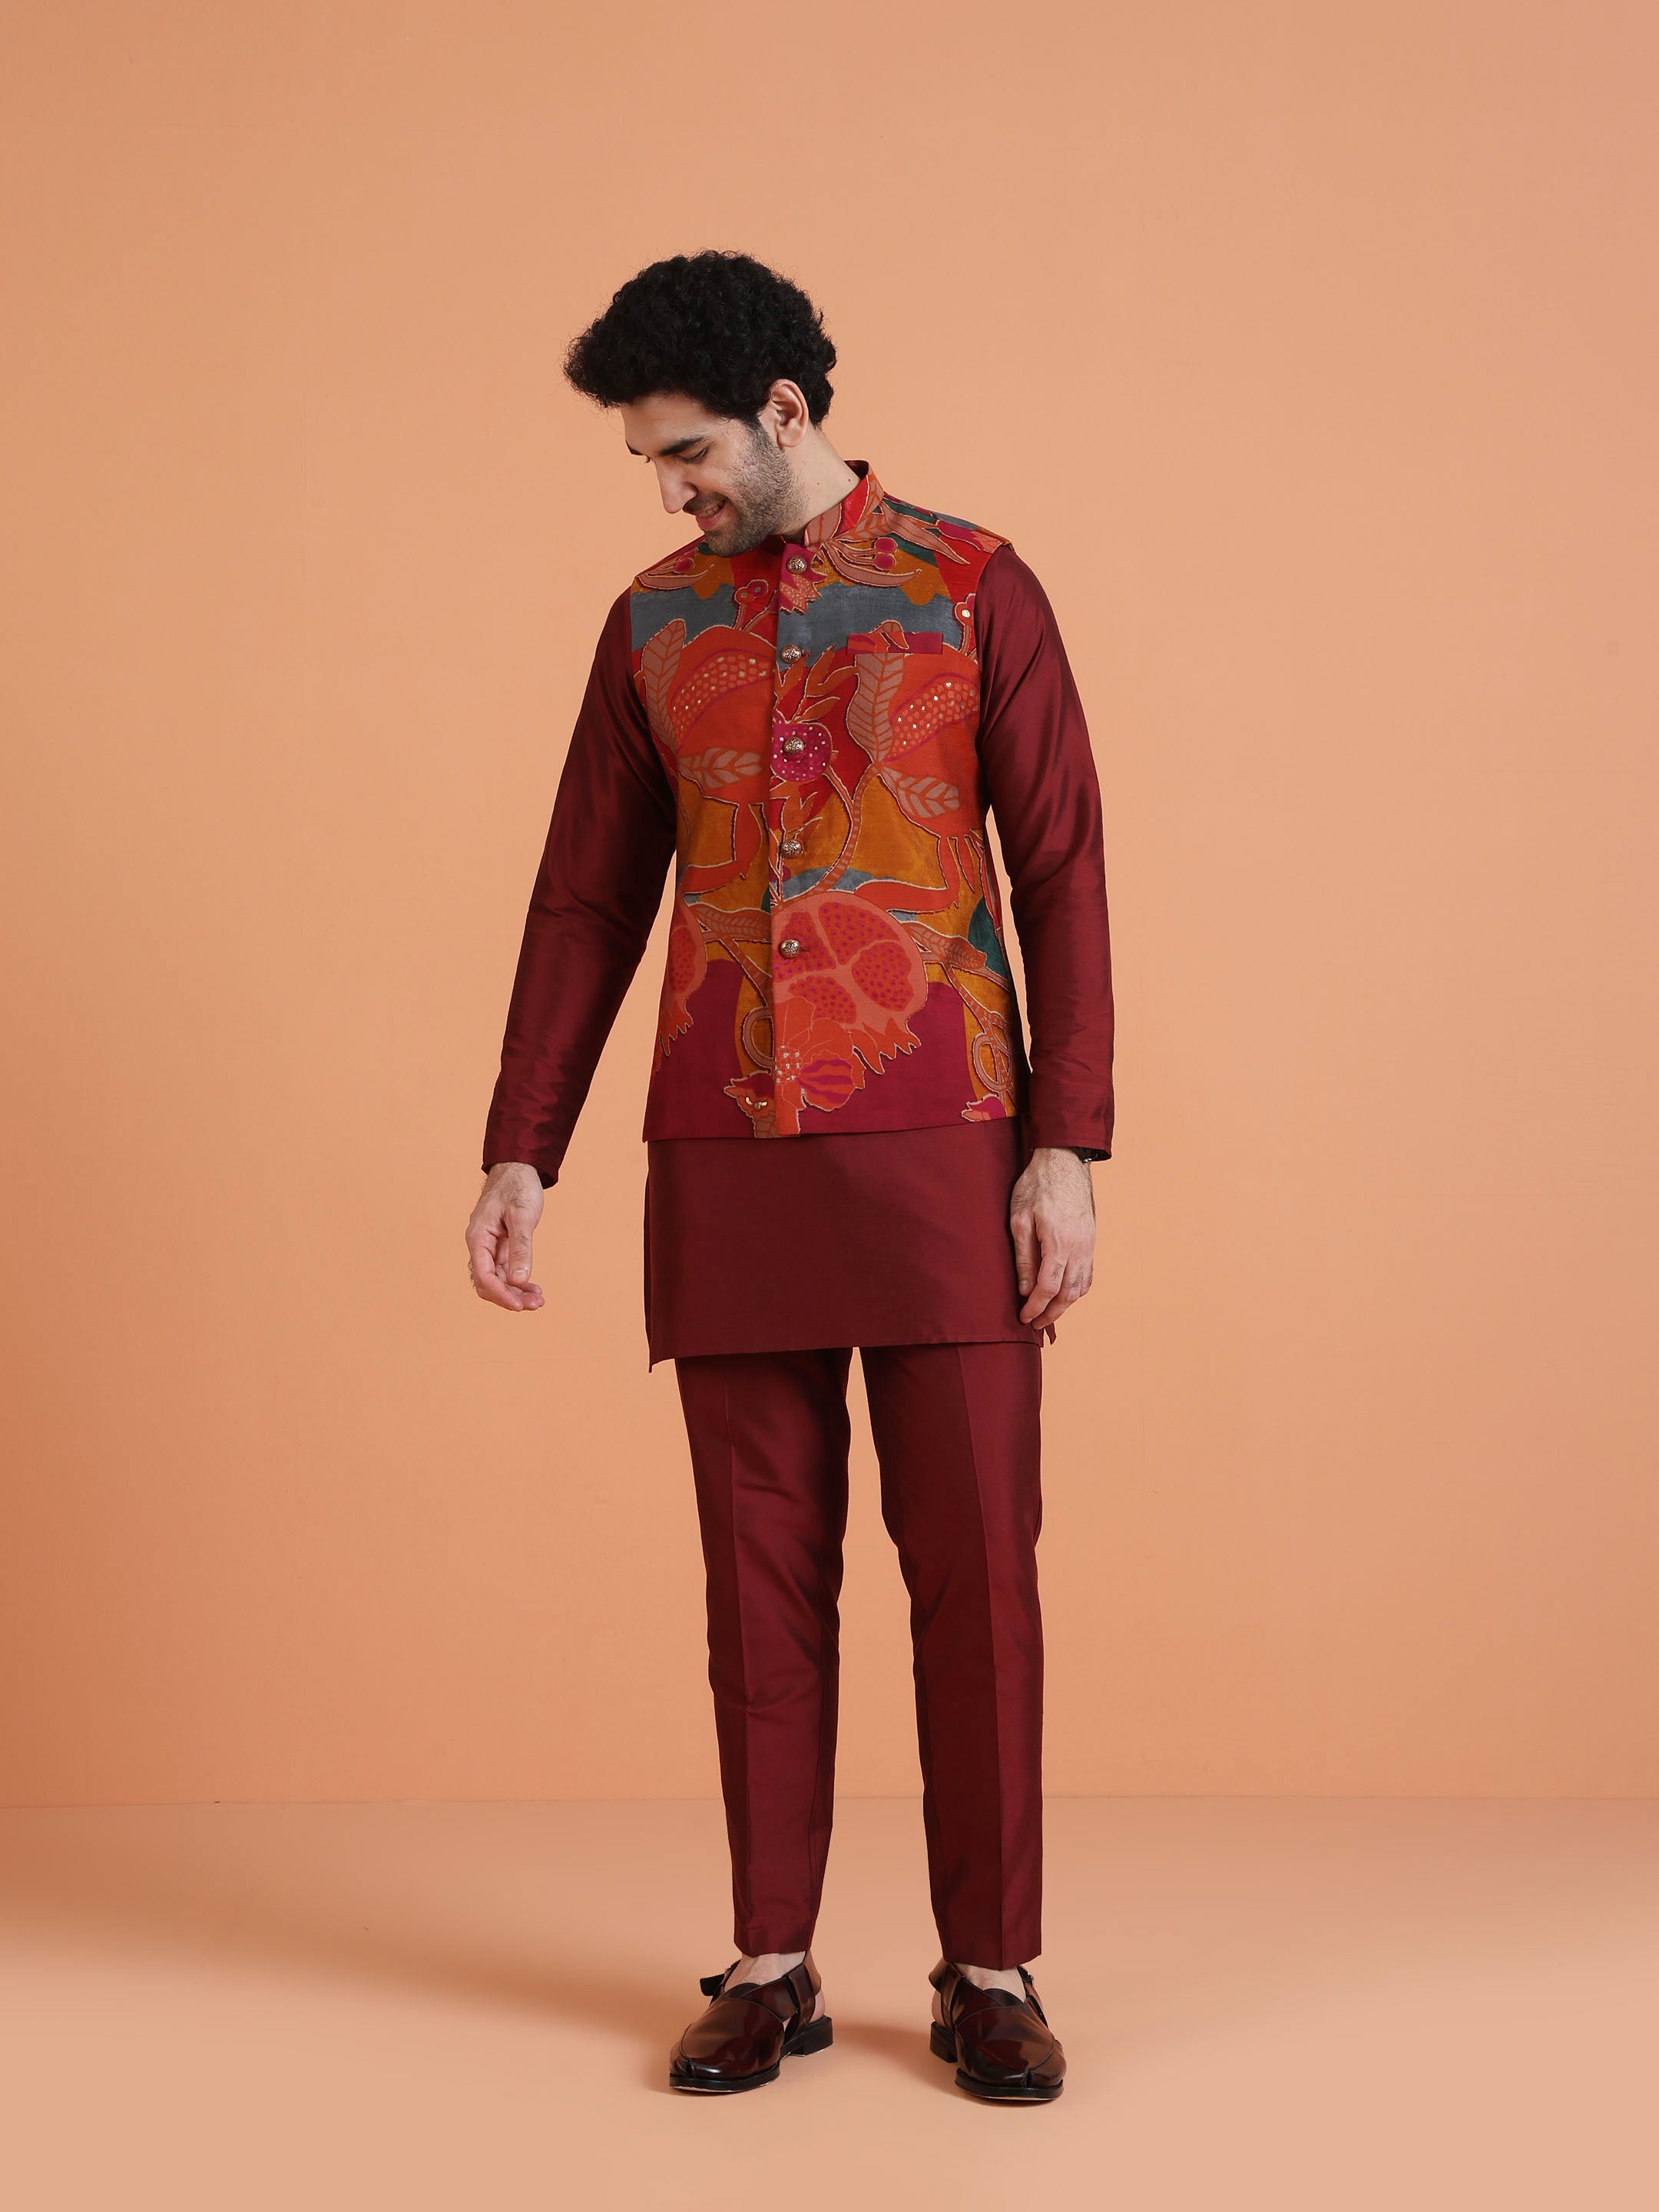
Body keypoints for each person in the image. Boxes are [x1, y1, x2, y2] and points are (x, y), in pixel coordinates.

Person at [465, 250, 1114, 2102]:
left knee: (978, 1576)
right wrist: (522, 1146)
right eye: (648, 462)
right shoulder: (652, 626)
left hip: (946, 1145)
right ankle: (770, 1959)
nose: (668, 490)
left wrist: (1065, 1147)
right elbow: (586, 897)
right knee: (756, 1584)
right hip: (724, 1150)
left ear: (785, 411)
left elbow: (1062, 869)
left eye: (685, 453)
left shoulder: (974, 587)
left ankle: (991, 1967)